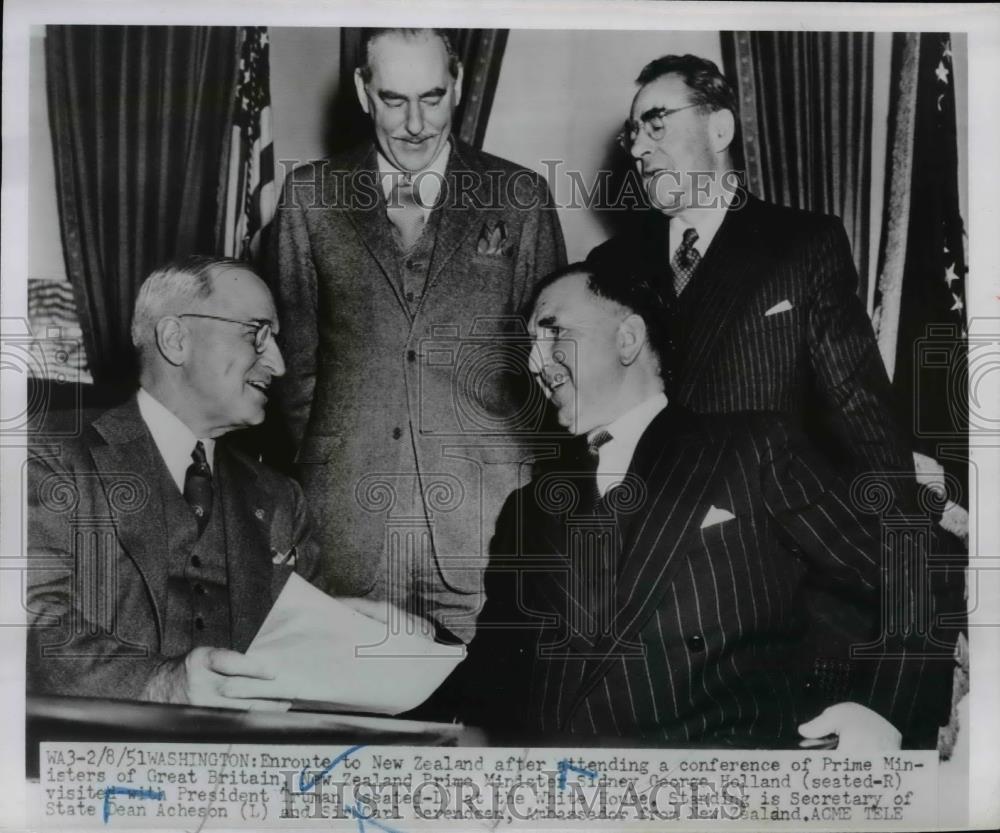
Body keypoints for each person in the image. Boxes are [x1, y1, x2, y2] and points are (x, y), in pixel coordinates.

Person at [450, 263, 943, 749]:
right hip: (564, 801)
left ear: (628, 338)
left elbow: (906, 568)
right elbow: (489, 677)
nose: (536, 361)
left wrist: (882, 712)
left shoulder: (753, 448)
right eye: (530, 345)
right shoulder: (528, 508)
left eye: (553, 330)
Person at [265, 28, 566, 643]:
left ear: (456, 84)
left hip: (483, 520)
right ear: (362, 91)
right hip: (346, 519)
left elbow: (549, 367)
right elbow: (292, 368)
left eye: (432, 97)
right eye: (394, 99)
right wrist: (339, 456)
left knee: (483, 710)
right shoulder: (309, 196)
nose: (415, 123)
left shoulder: (520, 196)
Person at [587, 54, 913, 484]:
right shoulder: (610, 265)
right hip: (643, 535)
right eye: (632, 133)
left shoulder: (803, 245)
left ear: (719, 128)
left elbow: (860, 409)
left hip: (761, 534)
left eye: (657, 124)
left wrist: (901, 535)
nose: (638, 148)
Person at [26, 257, 322, 709]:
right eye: (257, 333)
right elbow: (28, 625)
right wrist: (164, 684)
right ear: (175, 339)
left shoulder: (283, 499)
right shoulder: (47, 456)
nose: (279, 365)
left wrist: (355, 632)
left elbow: (304, 656)